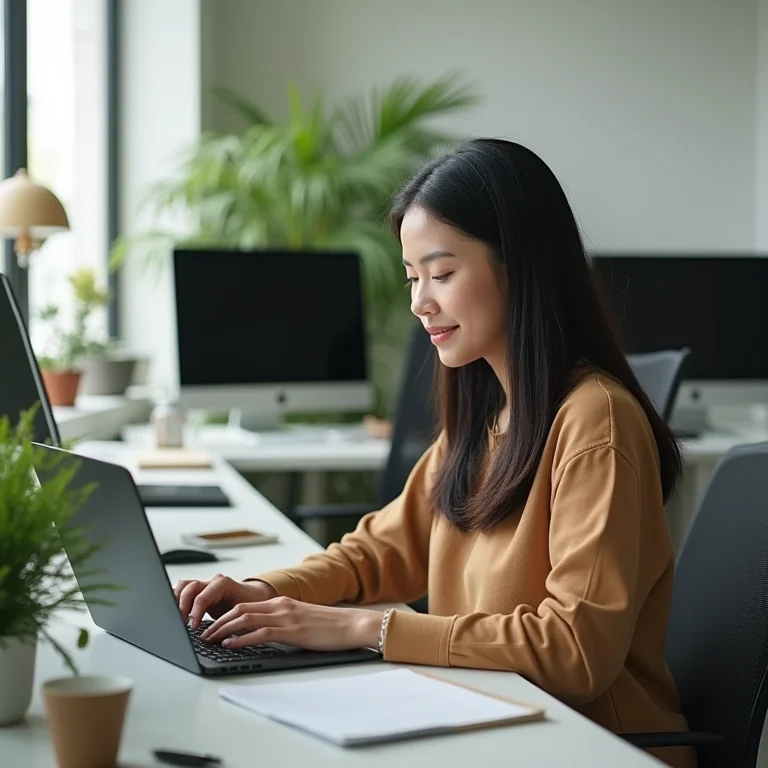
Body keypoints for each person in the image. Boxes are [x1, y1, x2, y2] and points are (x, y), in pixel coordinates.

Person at [174, 138, 695, 768]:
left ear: (521, 267)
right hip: (486, 721)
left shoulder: (595, 421)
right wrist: (259, 592)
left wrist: (367, 628)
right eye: (413, 277)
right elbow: (378, 555)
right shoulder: (485, 416)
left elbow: (576, 652)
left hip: (587, 745)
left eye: (442, 274)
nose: (420, 302)